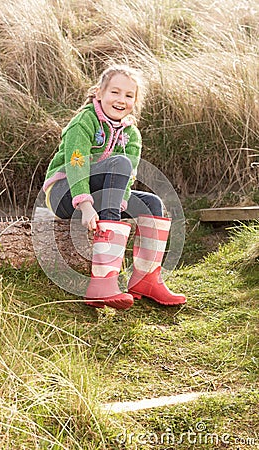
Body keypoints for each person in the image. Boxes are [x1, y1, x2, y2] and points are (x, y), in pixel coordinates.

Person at [43, 64, 186, 310]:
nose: (121, 100)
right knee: (117, 162)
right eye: (115, 92)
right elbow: (76, 163)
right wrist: (86, 205)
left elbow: (128, 176)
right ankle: (103, 280)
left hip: (102, 194)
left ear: (135, 101)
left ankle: (146, 279)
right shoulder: (84, 121)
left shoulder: (132, 134)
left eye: (129, 95)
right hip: (64, 193)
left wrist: (119, 200)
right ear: (99, 93)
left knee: (152, 203)